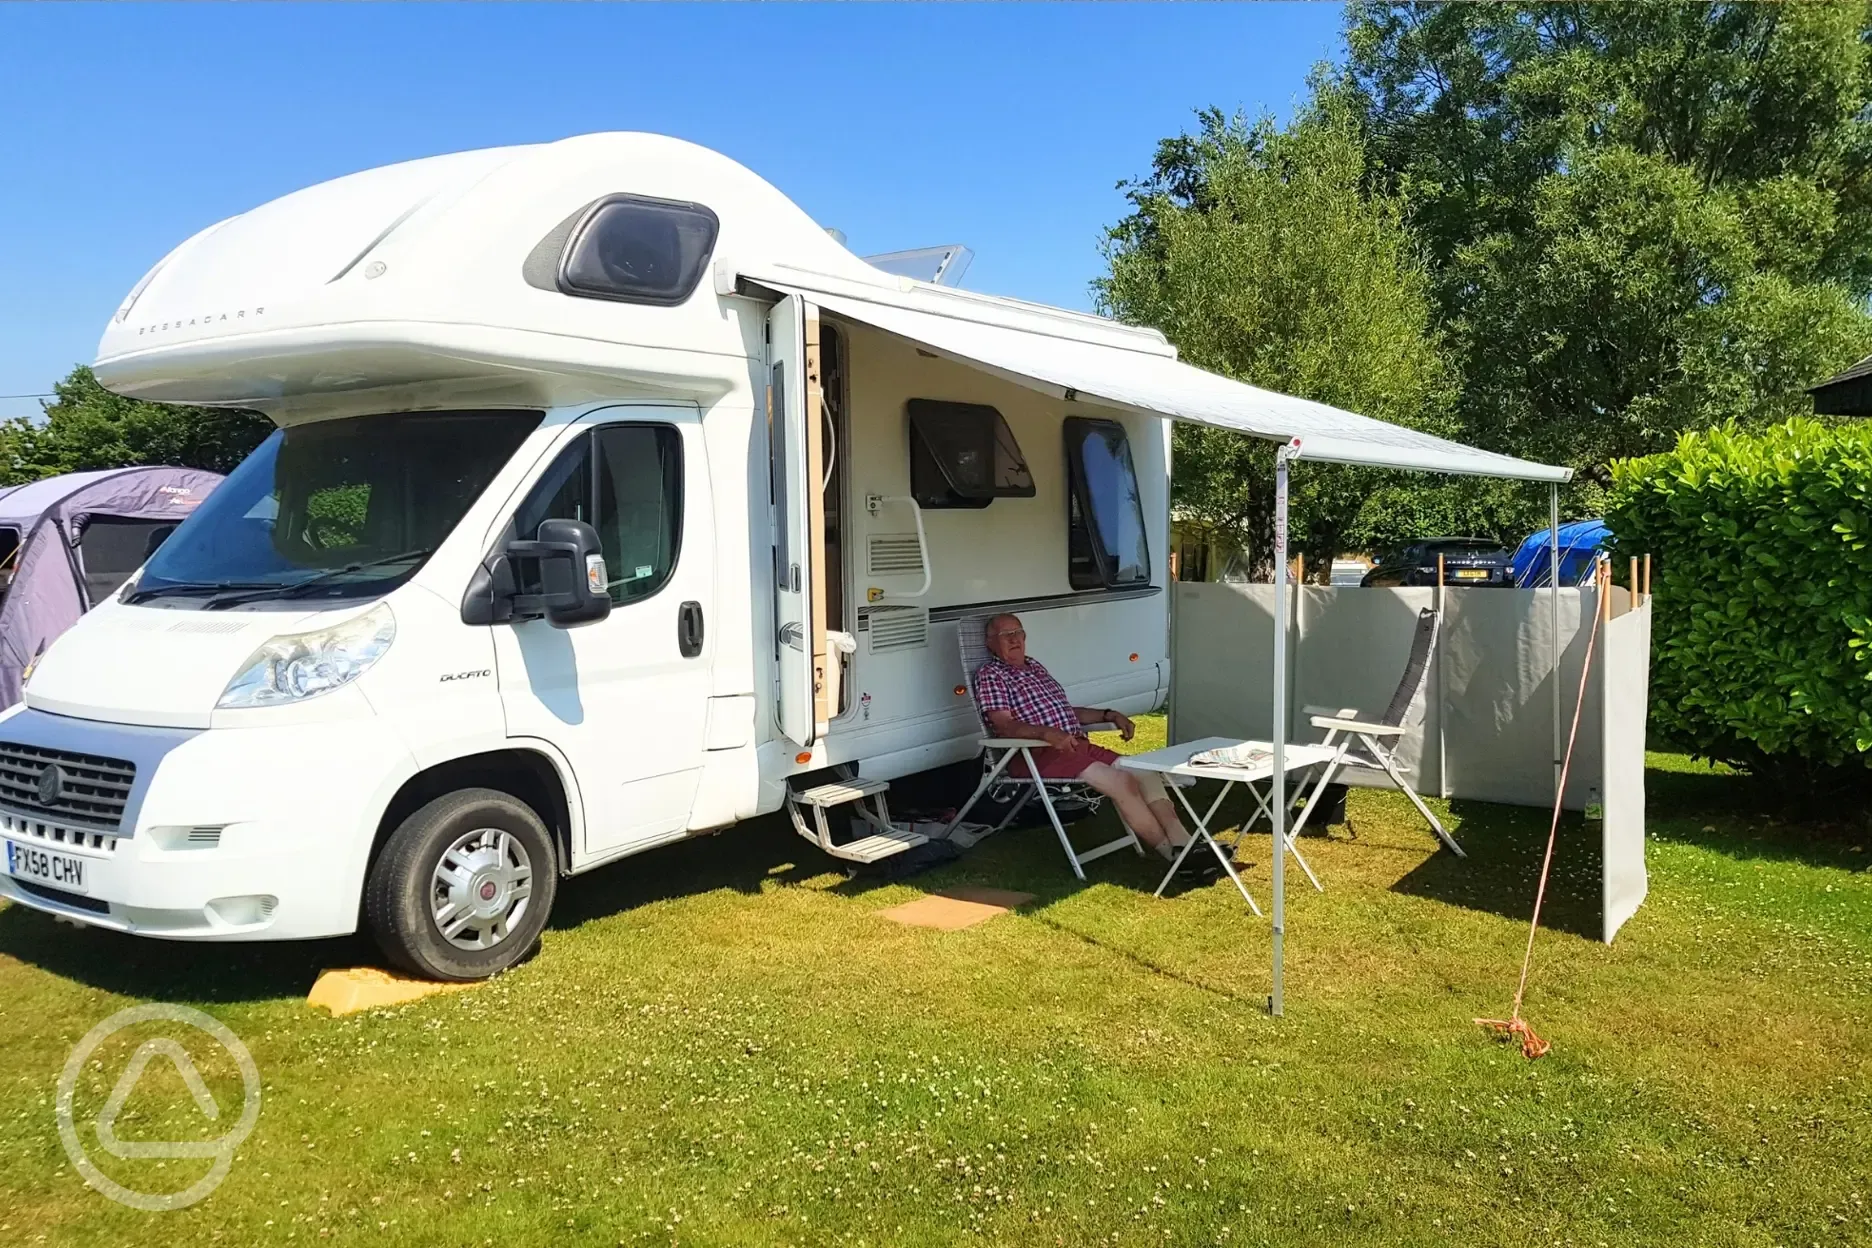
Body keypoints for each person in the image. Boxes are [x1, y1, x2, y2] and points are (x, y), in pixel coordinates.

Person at [973, 613, 1203, 867]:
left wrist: (1109, 714)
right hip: (1037, 753)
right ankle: (1171, 854)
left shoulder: (1034, 666)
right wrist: (1046, 733)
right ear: (990, 643)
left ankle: (1183, 841)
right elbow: (1004, 725)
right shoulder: (992, 674)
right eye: (1005, 635)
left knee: (1143, 772)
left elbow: (1066, 711)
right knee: (1121, 781)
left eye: (1018, 632)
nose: (1014, 639)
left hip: (1074, 746)